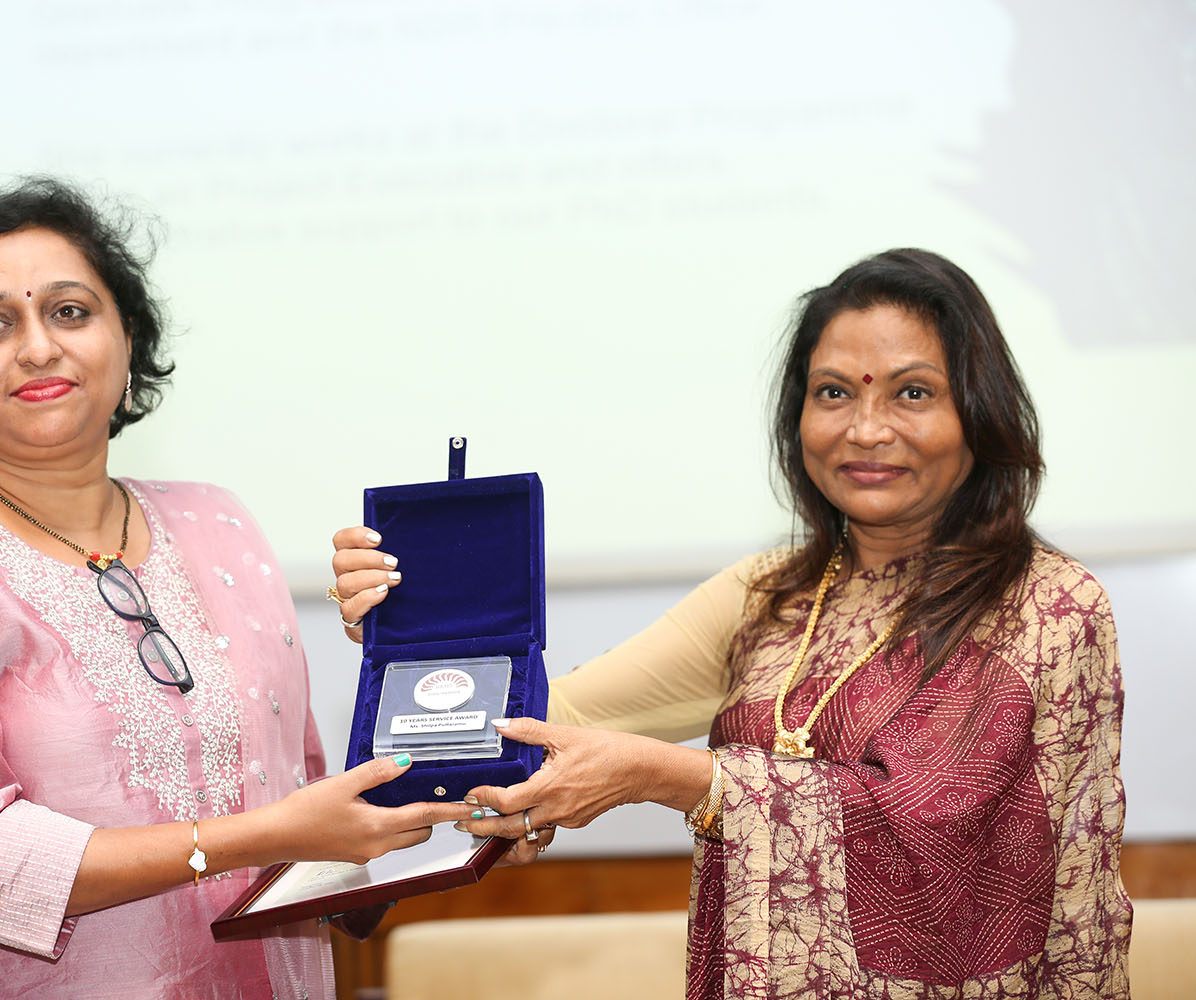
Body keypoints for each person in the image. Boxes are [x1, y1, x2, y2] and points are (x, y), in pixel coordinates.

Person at [331, 249, 1131, 997]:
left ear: (978, 413)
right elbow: (545, 723)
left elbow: (936, 823)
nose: (866, 428)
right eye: (834, 392)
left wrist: (668, 776)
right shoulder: (769, 594)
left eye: (912, 392)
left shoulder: (1054, 607)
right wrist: (419, 638)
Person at [0, 177, 472, 999]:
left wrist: (431, 770)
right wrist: (256, 836)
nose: (38, 347)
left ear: (127, 341)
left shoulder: (219, 522)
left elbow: (306, 816)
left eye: (70, 312)